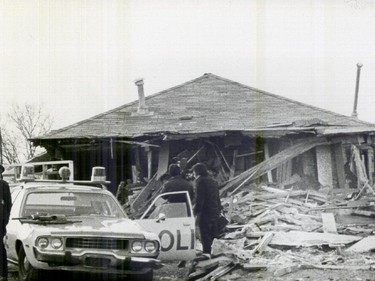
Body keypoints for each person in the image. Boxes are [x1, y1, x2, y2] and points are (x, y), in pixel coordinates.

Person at [192, 162, 222, 256]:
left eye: (193, 172)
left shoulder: (200, 181)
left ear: (197, 172)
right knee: (214, 233)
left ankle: (207, 254)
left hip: (205, 212)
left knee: (205, 233)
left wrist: (195, 211)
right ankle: (216, 253)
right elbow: (217, 197)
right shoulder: (213, 180)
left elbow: (200, 198)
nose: (193, 174)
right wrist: (219, 208)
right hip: (215, 210)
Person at [0, 164, 12, 281]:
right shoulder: (4, 185)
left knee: (1, 247)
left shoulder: (4, 185)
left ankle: (3, 274)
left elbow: (9, 204)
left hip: (1, 220)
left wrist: (6, 218)